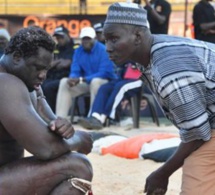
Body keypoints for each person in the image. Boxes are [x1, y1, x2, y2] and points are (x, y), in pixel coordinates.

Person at [103, 2, 215, 194]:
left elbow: (197, 132)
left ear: (138, 36)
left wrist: (162, 173)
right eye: (105, 40)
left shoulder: (168, 68)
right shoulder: (156, 52)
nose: (107, 48)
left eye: (113, 39)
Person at [0, 26, 93, 195]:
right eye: (37, 68)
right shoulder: (4, 82)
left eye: (46, 70)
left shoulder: (28, 82)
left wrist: (63, 128)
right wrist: (79, 138)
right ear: (17, 57)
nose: (43, 75)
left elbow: (54, 127)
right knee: (78, 165)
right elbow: (46, 148)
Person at [56, 26, 116, 118]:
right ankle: (60, 118)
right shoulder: (78, 51)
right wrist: (73, 77)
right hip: (86, 82)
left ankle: (93, 118)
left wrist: (81, 79)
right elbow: (75, 69)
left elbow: (104, 72)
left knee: (96, 81)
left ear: (95, 39)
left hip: (106, 83)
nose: (85, 41)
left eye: (88, 39)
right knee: (64, 81)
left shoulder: (104, 50)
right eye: (84, 39)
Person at [78, 62, 142, 130]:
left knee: (120, 87)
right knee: (104, 88)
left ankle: (103, 118)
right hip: (124, 78)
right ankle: (94, 116)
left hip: (139, 78)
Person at [42, 25, 75, 113]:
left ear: (68, 35)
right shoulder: (55, 48)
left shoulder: (75, 48)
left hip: (67, 77)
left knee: (48, 87)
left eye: (61, 37)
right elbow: (48, 64)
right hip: (52, 76)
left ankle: (52, 114)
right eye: (57, 38)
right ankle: (43, 113)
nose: (59, 40)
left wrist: (58, 62)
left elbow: (67, 64)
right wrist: (58, 62)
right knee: (39, 86)